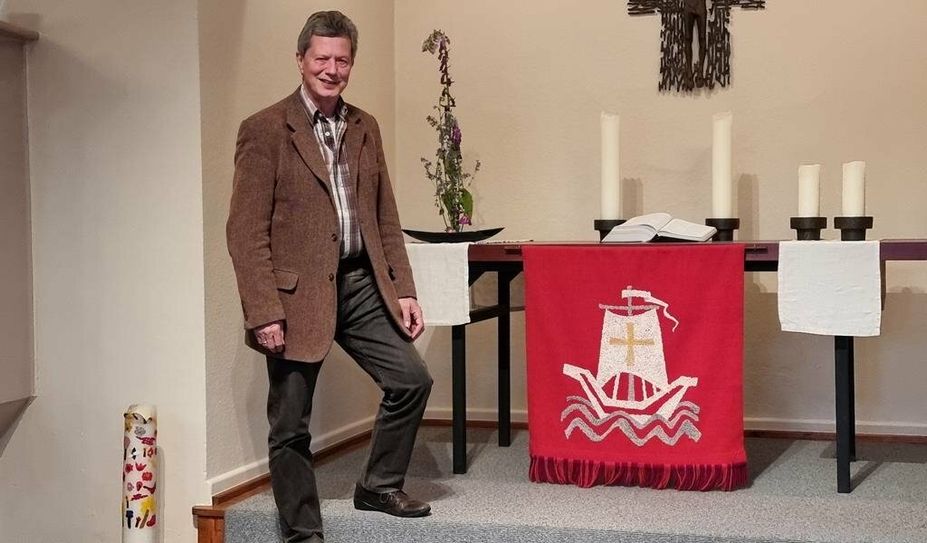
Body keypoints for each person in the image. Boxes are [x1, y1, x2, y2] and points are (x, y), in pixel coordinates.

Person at [226, 10, 433, 542]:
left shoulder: (365, 126)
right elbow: (244, 231)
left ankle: (378, 484)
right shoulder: (265, 129)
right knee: (291, 424)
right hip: (295, 296)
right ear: (301, 60)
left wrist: (404, 288)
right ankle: (302, 532)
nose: (331, 69)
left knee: (411, 380)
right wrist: (264, 309)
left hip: (362, 282)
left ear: (351, 65)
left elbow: (385, 214)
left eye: (341, 60)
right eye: (322, 58)